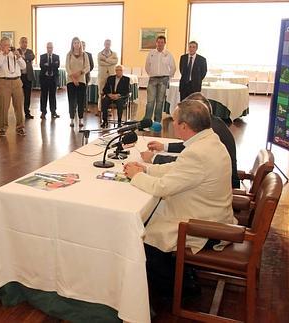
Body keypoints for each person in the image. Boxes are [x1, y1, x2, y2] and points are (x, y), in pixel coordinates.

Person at [123, 99, 235, 297]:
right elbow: (177, 169)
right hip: (213, 215)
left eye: (174, 120)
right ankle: (180, 275)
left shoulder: (198, 153)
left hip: (204, 226)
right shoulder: (210, 141)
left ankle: (179, 290)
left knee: (141, 238)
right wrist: (147, 168)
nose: (172, 124)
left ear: (184, 126)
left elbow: (162, 188)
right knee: (150, 219)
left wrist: (136, 175)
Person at [142, 92, 240, 188]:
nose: (173, 123)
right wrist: (149, 167)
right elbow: (187, 153)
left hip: (224, 185)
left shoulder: (210, 132)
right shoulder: (210, 129)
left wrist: (148, 164)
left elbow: (163, 186)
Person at [0, 36, 26, 137]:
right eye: (5, 45)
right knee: (3, 107)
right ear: (1, 46)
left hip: (17, 82)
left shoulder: (15, 54)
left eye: (9, 44)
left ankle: (20, 127)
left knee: (19, 106)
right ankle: (2, 128)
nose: (8, 47)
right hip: (4, 83)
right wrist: (4, 54)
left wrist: (18, 56)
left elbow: (23, 67)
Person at [145, 35, 176, 123]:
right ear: (156, 43)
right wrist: (151, 74)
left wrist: (168, 77)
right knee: (150, 102)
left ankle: (157, 122)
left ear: (164, 43)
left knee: (160, 102)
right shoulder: (151, 53)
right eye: (158, 42)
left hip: (163, 80)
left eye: (162, 42)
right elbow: (147, 66)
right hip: (152, 79)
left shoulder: (168, 54)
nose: (160, 44)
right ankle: (147, 121)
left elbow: (173, 67)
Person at [65, 37, 90, 128]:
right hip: (71, 80)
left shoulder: (84, 55)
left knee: (81, 100)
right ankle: (71, 119)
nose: (76, 44)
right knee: (71, 100)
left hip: (81, 80)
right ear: (72, 44)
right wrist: (73, 78)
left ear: (80, 44)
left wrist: (80, 73)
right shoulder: (69, 54)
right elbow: (67, 67)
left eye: (78, 43)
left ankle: (80, 119)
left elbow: (87, 67)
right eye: (74, 43)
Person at [38, 42, 60, 119]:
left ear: (53, 48)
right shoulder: (42, 56)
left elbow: (57, 66)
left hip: (53, 79)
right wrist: (52, 64)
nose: (49, 49)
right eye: (48, 47)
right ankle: (43, 112)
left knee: (52, 96)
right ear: (46, 48)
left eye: (51, 47)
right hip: (44, 79)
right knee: (44, 95)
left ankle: (53, 111)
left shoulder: (56, 57)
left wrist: (48, 65)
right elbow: (41, 66)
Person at [97, 39, 118, 114]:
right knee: (101, 92)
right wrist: (110, 62)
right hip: (102, 76)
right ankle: (100, 109)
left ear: (110, 45)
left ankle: (108, 109)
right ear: (104, 44)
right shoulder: (100, 54)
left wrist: (105, 59)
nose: (107, 45)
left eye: (109, 44)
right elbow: (100, 63)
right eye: (106, 44)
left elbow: (115, 61)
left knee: (110, 91)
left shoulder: (114, 54)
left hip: (111, 76)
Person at [17, 36, 35, 119]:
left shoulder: (30, 51)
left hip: (28, 76)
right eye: (23, 42)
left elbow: (32, 57)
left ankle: (27, 113)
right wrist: (26, 59)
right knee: (18, 96)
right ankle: (19, 114)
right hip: (19, 77)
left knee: (27, 96)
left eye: (26, 42)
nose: (25, 43)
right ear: (19, 43)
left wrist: (23, 58)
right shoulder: (17, 51)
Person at [81, 41, 94, 113]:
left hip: (86, 76)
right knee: (77, 93)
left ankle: (85, 107)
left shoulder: (89, 55)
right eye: (82, 45)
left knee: (85, 92)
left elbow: (91, 66)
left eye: (84, 45)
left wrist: (85, 71)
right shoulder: (75, 54)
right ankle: (77, 107)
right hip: (78, 77)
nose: (83, 46)